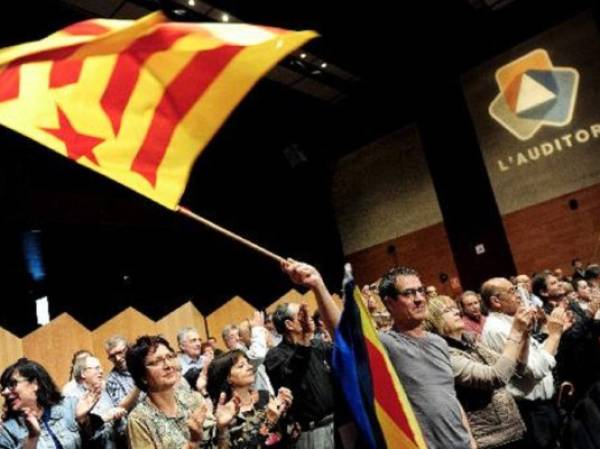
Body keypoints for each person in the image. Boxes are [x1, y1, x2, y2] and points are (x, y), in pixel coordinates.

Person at [281, 260, 475, 449]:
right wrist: (318, 285)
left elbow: (450, 397)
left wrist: (471, 442)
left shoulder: (438, 342)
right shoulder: (386, 343)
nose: (419, 298)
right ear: (389, 303)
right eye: (408, 293)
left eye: (420, 290)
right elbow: (344, 334)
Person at [426, 295, 529, 449]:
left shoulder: (472, 343)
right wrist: (515, 331)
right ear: (433, 321)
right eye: (447, 310)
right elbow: (495, 377)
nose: (456, 312)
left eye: (455, 308)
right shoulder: (445, 354)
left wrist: (525, 334)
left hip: (514, 431)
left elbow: (515, 368)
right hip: (489, 439)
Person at [126, 335, 236, 449]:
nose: (168, 365)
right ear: (142, 376)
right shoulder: (139, 419)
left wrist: (222, 428)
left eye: (170, 357)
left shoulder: (193, 399)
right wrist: (192, 445)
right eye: (157, 361)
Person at [0, 358, 105, 449]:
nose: (5, 392)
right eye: (3, 388)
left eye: (12, 384)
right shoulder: (7, 431)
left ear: (35, 384)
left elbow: (100, 444)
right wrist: (32, 438)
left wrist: (84, 421)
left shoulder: (68, 406)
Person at [207, 350, 293, 449]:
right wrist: (268, 423)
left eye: (248, 363)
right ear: (228, 378)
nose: (250, 367)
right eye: (241, 366)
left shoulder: (264, 396)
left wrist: (285, 411)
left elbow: (289, 436)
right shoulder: (226, 415)